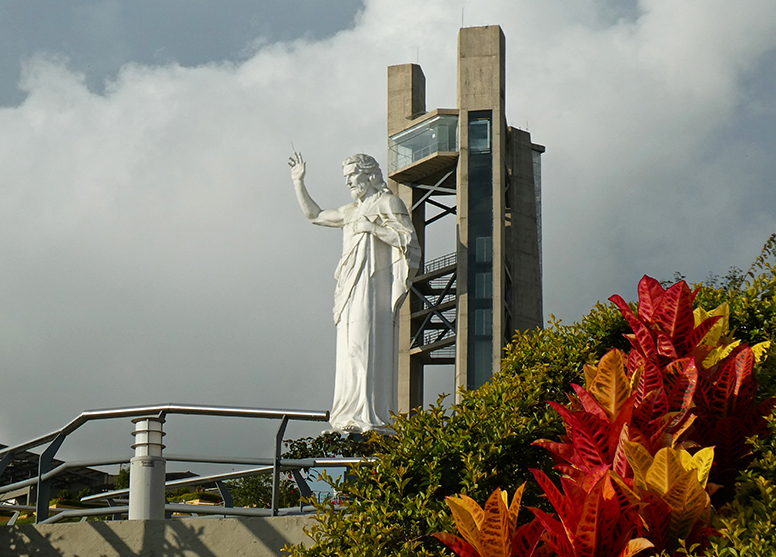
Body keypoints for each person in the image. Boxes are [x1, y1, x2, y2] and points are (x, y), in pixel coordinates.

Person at [289, 152, 420, 433]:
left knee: (369, 343)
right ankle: (347, 414)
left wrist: (373, 228)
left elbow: (408, 241)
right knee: (349, 349)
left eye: (353, 175)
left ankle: (371, 414)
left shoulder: (388, 202)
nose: (349, 181)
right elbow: (315, 215)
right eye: (346, 177)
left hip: (375, 287)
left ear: (370, 174)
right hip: (350, 286)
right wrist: (298, 182)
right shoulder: (350, 211)